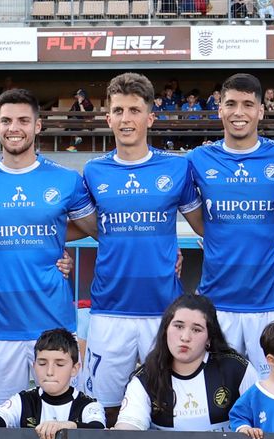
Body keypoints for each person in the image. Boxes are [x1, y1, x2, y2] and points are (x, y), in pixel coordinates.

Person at [0, 88, 94, 413]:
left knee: (67, 419)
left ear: (38, 126)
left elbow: (101, 231)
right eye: (6, 120)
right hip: (0, 324)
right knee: (0, 422)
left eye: (23, 120)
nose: (14, 127)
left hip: (54, 320)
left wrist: (170, 250)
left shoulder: (66, 180)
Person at [79, 73, 201, 416]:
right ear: (108, 118)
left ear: (150, 116)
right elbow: (78, 226)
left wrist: (270, 238)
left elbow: (205, 225)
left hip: (163, 311)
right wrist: (52, 249)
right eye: (118, 110)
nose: (125, 119)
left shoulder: (177, 168)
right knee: (102, 409)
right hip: (108, 311)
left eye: (134, 110)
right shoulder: (93, 171)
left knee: (167, 407)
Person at [185, 73, 274, 375]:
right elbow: (196, 218)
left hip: (272, 304)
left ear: (261, 110)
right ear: (219, 109)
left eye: (247, 104)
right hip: (217, 303)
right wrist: (220, 236)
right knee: (217, 398)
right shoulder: (198, 159)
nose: (238, 112)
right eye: (230, 104)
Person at [113, 294, 254, 432]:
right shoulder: (145, 378)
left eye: (196, 329)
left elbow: (264, 416)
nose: (185, 337)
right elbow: (129, 431)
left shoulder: (237, 369)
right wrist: (120, 434)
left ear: (209, 338)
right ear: (165, 330)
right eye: (179, 326)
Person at [0, 327, 103, 439]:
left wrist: (67, 425)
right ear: (34, 366)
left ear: (75, 368)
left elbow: (98, 429)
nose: (50, 371)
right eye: (42, 363)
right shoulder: (23, 400)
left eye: (60, 364)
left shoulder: (88, 404)